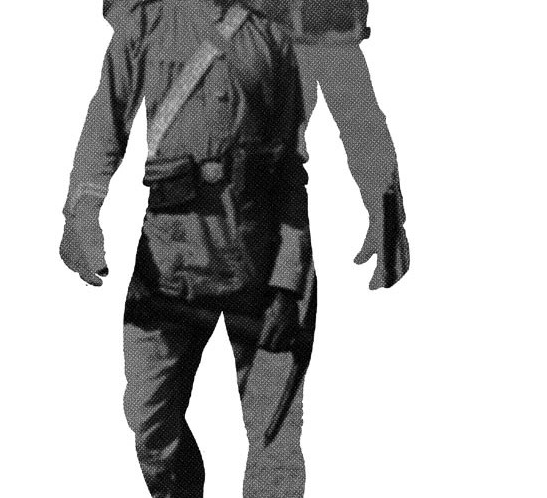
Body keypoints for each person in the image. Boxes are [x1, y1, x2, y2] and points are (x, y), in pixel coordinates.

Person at [60, 0, 315, 496]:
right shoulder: (146, 24)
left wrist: (289, 279)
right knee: (150, 419)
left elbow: (290, 167)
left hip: (260, 259)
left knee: (275, 439)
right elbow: (104, 124)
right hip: (171, 257)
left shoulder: (275, 38)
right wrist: (82, 213)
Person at [252, 0, 410, 289]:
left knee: (292, 146)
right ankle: (388, 240)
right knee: (356, 140)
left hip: (320, 35)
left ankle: (389, 240)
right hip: (308, 33)